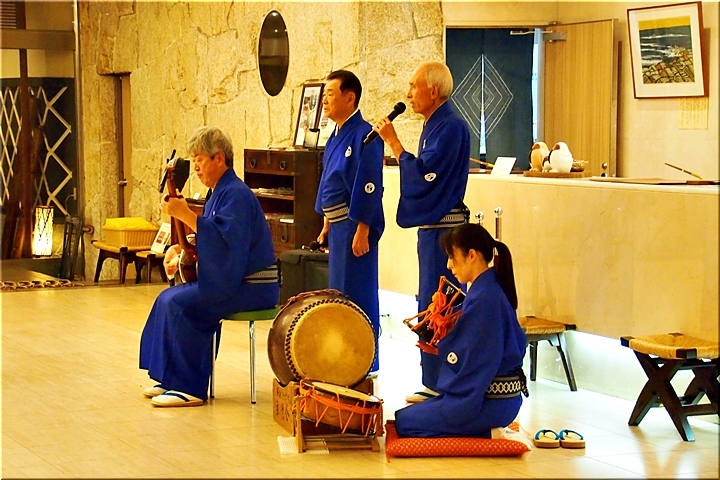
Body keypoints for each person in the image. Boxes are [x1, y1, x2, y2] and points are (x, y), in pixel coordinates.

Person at [139, 126, 280, 407]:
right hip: (234, 281)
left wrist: (185, 215)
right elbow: (211, 235)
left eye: (200, 160)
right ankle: (171, 378)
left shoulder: (236, 194)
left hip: (253, 286)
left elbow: (225, 242)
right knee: (166, 298)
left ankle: (189, 386)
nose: (196, 167)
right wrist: (180, 248)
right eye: (193, 160)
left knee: (182, 304)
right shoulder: (217, 193)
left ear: (219, 159)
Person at [372, 60, 470, 401]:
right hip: (432, 233)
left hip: (445, 234)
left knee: (441, 304)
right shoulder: (435, 124)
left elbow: (426, 177)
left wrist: (395, 145)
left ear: (433, 90)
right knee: (428, 300)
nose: (409, 93)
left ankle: (445, 382)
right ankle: (433, 380)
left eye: (414, 86)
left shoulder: (451, 127)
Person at [394, 223, 528, 437]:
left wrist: (447, 350)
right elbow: (477, 348)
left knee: (405, 423)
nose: (448, 265)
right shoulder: (487, 289)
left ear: (472, 255)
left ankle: (488, 435)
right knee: (406, 417)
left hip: (489, 402)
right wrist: (441, 348)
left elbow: (480, 360)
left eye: (452, 256)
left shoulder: (485, 298)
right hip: (495, 398)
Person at [315, 70, 385, 372]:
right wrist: (326, 222)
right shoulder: (335, 135)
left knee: (358, 293)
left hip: (355, 226)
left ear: (350, 97)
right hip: (338, 226)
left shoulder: (366, 135)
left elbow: (369, 184)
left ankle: (365, 359)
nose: (324, 100)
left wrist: (363, 228)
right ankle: (343, 356)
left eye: (330, 94)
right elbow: (329, 181)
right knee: (339, 295)